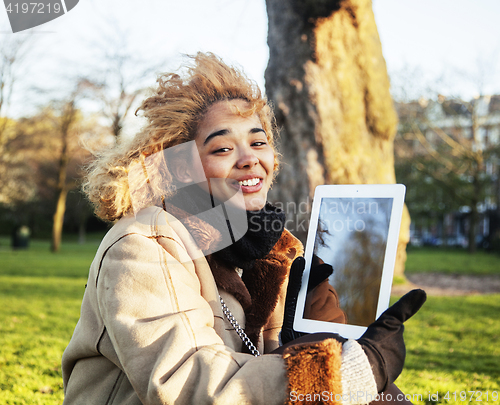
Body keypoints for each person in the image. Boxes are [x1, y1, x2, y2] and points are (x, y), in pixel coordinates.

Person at [62, 52, 426, 405]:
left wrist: (316, 325)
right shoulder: (142, 245)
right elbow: (187, 383)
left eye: (258, 141)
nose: (249, 157)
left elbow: (272, 362)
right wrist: (353, 371)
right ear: (184, 167)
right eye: (222, 148)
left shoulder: (277, 251)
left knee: (380, 396)